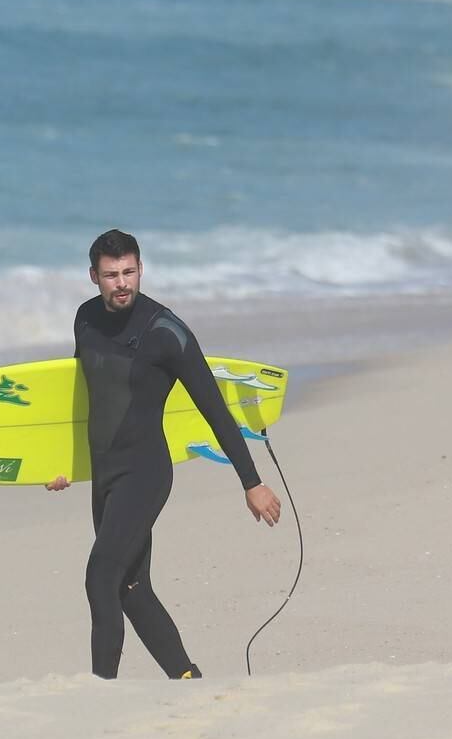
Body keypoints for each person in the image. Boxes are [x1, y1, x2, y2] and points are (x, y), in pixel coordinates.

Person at [46, 228, 281, 680]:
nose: (122, 284)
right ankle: (187, 678)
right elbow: (84, 403)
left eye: (129, 272)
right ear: (93, 275)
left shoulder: (166, 332)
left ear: (141, 269)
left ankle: (102, 692)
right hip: (105, 475)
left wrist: (251, 482)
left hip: (145, 473)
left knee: (101, 576)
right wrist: (60, 466)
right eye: (111, 274)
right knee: (131, 588)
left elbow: (215, 410)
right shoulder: (85, 320)